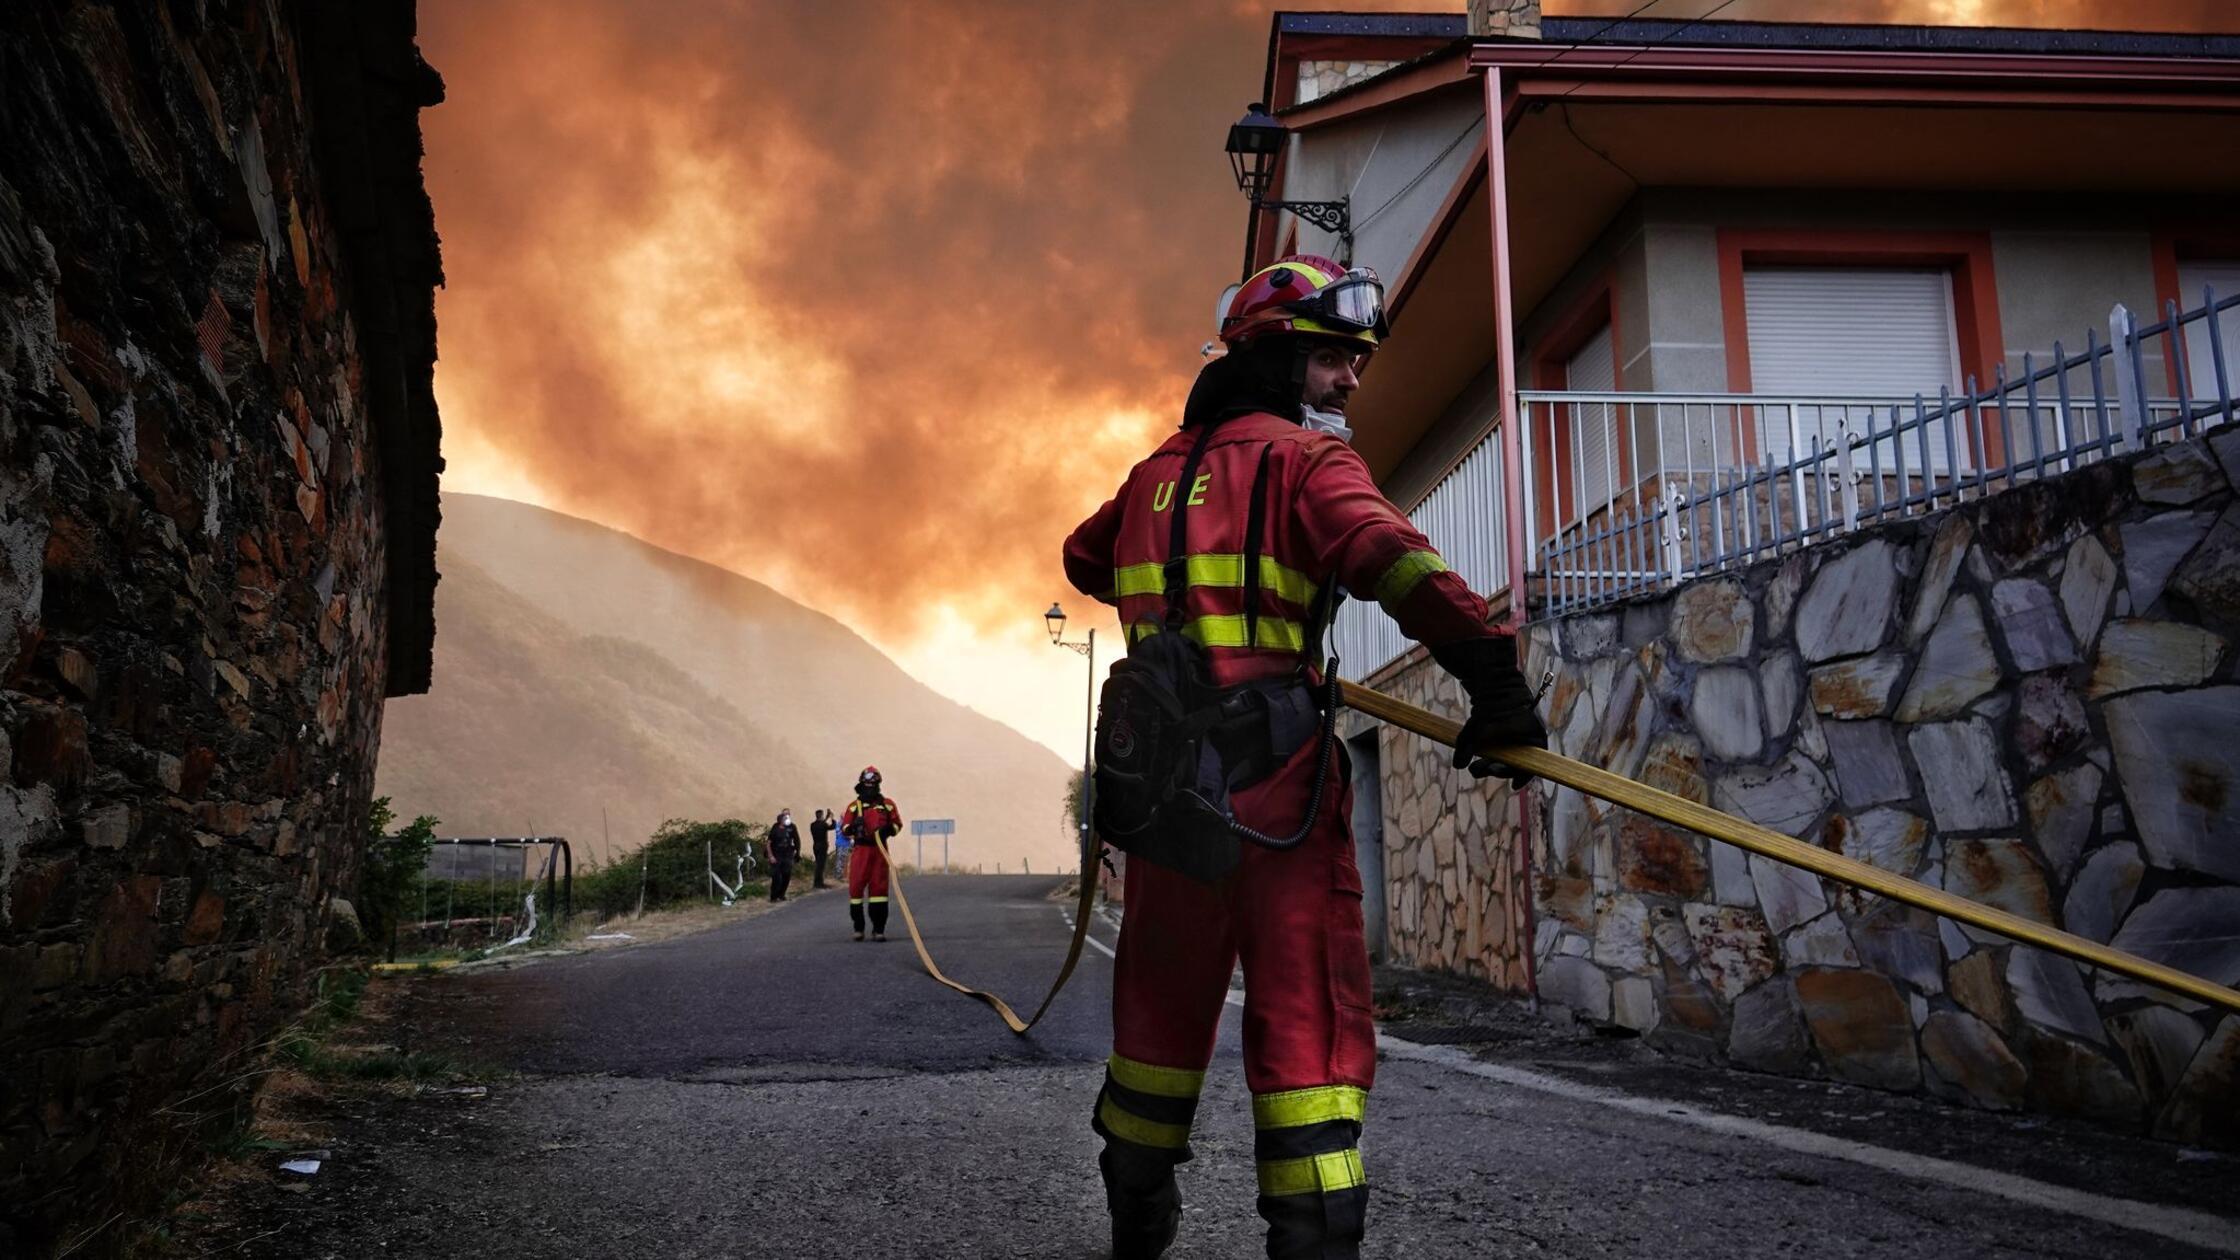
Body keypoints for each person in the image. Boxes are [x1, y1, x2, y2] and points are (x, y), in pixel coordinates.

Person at [1060, 255, 1546, 1260]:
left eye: (1355, 360)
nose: (1352, 380)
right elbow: (1394, 561)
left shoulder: (1152, 476)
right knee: (1306, 1020)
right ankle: (1312, 1234)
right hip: (1274, 789)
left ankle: (1136, 1218)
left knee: (1154, 1014)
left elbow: (1082, 556)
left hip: (1163, 795)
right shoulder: (1308, 463)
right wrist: (1494, 685)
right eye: (1331, 359)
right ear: (1275, 359)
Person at [840, 768, 902, 941]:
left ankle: (878, 929)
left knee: (879, 891)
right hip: (861, 851)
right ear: (861, 784)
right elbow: (844, 828)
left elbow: (897, 823)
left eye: (873, 784)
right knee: (856, 889)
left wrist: (889, 830)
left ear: (878, 785)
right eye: (866, 784)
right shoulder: (854, 807)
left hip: (880, 851)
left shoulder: (887, 805)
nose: (869, 788)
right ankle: (858, 928)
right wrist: (853, 828)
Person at [766, 810, 801, 901]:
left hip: (788, 854)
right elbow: (769, 843)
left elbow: (796, 840)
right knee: (776, 876)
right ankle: (774, 896)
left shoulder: (792, 827)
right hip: (777, 854)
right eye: (785, 817)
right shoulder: (775, 828)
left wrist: (797, 852)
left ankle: (781, 894)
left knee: (787, 875)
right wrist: (770, 856)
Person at [809, 808, 835, 888]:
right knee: (821, 865)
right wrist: (832, 818)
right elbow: (832, 826)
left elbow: (821, 824)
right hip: (822, 846)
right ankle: (819, 883)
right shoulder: (823, 825)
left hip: (815, 845)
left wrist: (826, 817)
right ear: (821, 816)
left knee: (818, 864)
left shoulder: (813, 825)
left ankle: (817, 882)